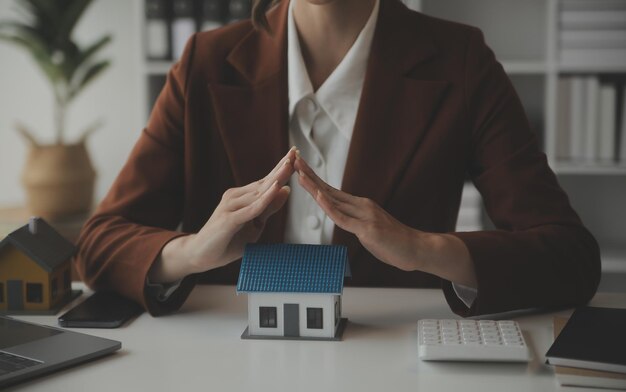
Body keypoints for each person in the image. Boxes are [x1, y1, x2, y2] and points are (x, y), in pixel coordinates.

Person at [75, 0, 601, 317]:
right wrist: (192, 252)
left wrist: (424, 249)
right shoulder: (204, 64)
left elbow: (571, 259)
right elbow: (98, 246)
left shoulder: (462, 63)